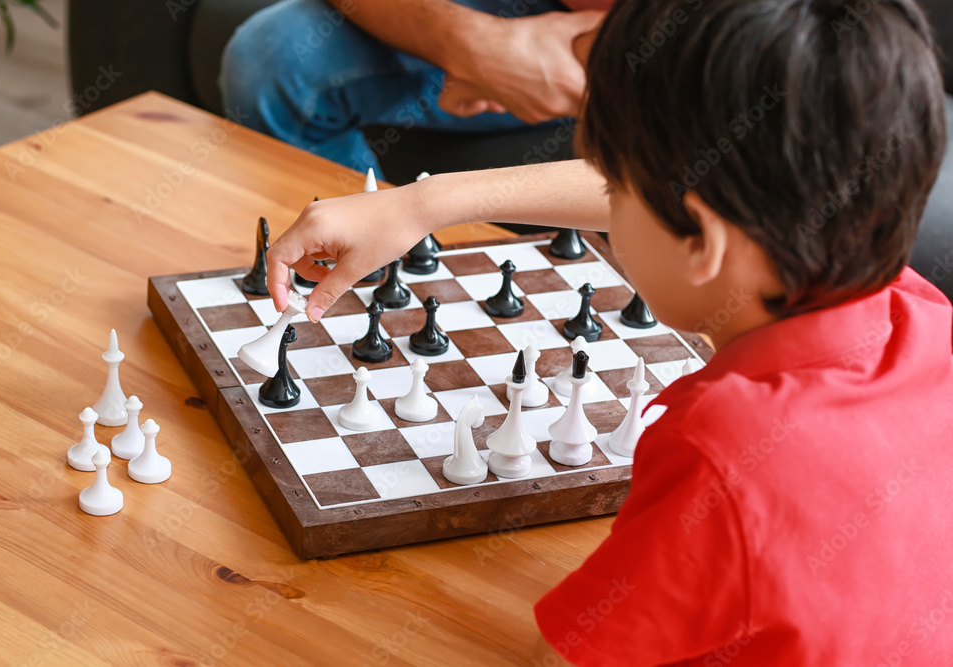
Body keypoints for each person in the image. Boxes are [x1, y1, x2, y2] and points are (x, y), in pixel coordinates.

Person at [266, 0, 953, 662]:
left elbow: (566, 656)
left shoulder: (723, 452)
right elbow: (689, 193)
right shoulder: (918, 311)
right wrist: (426, 202)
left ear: (704, 239)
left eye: (617, 193)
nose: (609, 210)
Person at [219, 0, 605, 178]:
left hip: (621, 36)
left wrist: (582, 57)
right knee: (275, 56)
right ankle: (357, 254)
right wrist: (474, 45)